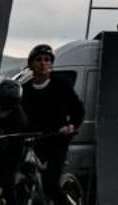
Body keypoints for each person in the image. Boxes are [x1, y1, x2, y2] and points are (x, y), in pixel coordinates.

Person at [19, 43, 84, 200]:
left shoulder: (61, 85)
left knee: (50, 184)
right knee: (22, 178)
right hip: (33, 140)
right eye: (39, 59)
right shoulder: (25, 89)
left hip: (57, 139)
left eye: (47, 59)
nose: (43, 63)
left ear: (51, 64)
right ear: (31, 64)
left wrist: (71, 126)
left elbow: (78, 110)